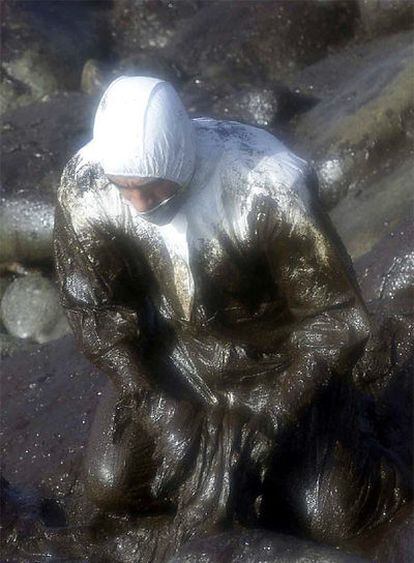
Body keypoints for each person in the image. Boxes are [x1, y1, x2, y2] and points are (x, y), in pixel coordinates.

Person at [54, 76, 409, 560]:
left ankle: (357, 430)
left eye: (149, 187)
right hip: (177, 363)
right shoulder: (87, 185)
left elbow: (335, 319)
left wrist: (274, 417)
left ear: (179, 158)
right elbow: (94, 309)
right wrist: (152, 400)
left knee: (334, 512)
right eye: (125, 188)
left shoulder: (265, 184)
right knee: (111, 484)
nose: (137, 203)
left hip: (278, 366)